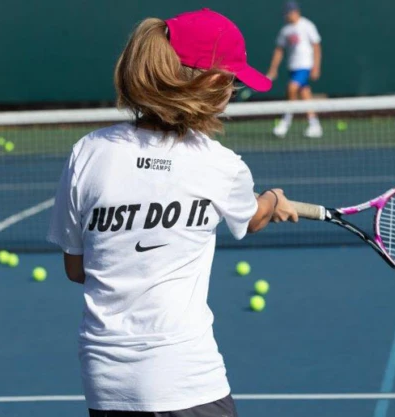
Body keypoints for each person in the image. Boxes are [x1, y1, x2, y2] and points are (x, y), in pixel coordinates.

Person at [47, 9, 300, 417]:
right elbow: (252, 217)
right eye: (234, 83)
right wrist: (273, 198)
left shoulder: (88, 152)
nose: (233, 94)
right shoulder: (221, 164)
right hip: (188, 383)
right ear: (214, 83)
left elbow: (76, 269)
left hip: (105, 384)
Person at [266, 1, 323, 138]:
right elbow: (279, 50)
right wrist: (273, 69)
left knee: (291, 88)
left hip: (305, 66)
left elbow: (316, 46)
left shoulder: (307, 25)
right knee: (304, 94)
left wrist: (316, 66)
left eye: (289, 13)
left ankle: (286, 120)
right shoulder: (285, 30)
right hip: (292, 67)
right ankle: (314, 125)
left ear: (295, 12)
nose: (287, 16)